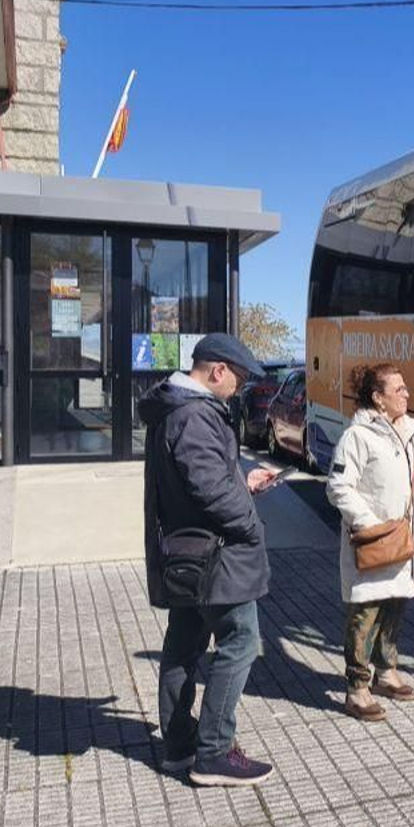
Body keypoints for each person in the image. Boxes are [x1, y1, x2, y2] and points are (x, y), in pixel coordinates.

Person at [141, 333, 279, 787]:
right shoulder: (195, 414)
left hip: (189, 552)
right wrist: (251, 524)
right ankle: (215, 752)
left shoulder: (177, 410)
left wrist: (244, 482)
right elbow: (209, 490)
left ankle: (180, 747)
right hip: (216, 556)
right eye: (237, 380)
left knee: (183, 646)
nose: (238, 390)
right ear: (216, 371)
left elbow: (206, 481)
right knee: (241, 642)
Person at [326, 363, 414, 722]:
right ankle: (357, 688)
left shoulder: (412, 433)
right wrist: (370, 525)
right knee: (366, 613)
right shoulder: (358, 436)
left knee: (395, 605)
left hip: (405, 539)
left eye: (405, 388)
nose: (406, 393)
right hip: (375, 540)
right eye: (398, 389)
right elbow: (338, 487)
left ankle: (386, 672)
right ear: (378, 397)